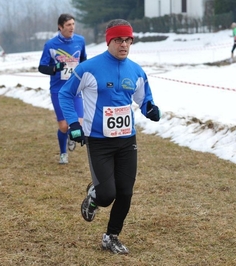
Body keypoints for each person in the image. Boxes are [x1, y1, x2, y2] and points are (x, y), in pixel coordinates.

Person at [59, 19, 161, 254]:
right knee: (107, 195)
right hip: (99, 142)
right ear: (109, 41)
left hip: (127, 141)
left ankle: (111, 236)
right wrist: (75, 124)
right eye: (118, 40)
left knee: (125, 192)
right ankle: (94, 197)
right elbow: (66, 94)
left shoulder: (136, 70)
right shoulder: (88, 68)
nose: (124, 44)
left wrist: (150, 109)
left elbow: (143, 99)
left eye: (128, 40)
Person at [38, 13, 87, 164]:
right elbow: (41, 67)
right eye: (68, 25)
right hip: (58, 90)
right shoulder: (51, 45)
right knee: (64, 125)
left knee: (78, 123)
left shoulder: (80, 41)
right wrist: (54, 68)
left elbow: (84, 60)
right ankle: (63, 153)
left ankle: (73, 136)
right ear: (60, 27)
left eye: (73, 24)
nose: (72, 27)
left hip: (75, 88)